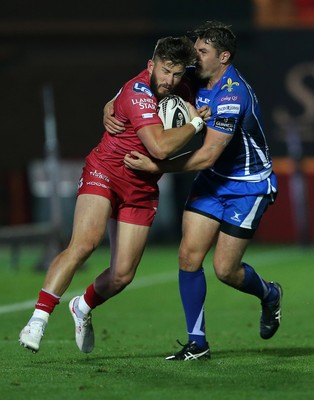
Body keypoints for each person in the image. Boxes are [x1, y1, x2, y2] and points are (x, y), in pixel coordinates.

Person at [18, 35, 207, 354]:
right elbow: (159, 146)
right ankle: (38, 320)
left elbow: (129, 106)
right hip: (106, 171)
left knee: (122, 275)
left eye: (176, 74)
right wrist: (197, 124)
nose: (169, 80)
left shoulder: (182, 88)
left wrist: (110, 104)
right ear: (152, 65)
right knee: (84, 243)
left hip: (142, 186)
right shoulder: (139, 93)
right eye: (165, 71)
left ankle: (82, 307)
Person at [110, 20, 283, 361]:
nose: (194, 57)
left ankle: (269, 295)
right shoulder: (193, 76)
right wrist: (109, 105)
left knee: (225, 270)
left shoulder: (232, 94)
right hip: (213, 181)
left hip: (247, 186)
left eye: (202, 51)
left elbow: (207, 154)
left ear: (224, 57)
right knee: (188, 256)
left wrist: (157, 167)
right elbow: (142, 83)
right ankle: (198, 343)